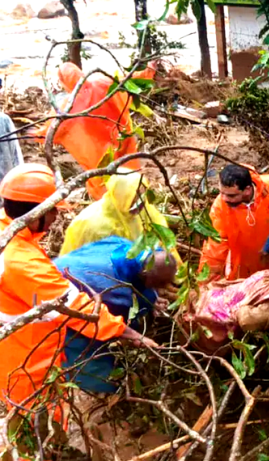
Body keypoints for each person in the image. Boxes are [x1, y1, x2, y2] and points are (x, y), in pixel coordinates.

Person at [0, 164, 155, 425]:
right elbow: (72, 304)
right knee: (35, 415)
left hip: (22, 344)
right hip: (27, 356)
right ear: (37, 212)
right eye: (53, 212)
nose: (55, 220)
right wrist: (125, 332)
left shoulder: (10, 235)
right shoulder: (23, 262)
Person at [55, 237, 177, 393]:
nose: (163, 288)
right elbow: (115, 324)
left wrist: (151, 298)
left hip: (59, 269)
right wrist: (138, 337)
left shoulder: (126, 246)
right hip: (58, 308)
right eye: (159, 283)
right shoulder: (114, 293)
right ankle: (105, 389)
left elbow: (136, 281)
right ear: (146, 275)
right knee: (94, 367)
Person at [34, 62, 155, 200]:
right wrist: (148, 70)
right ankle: (135, 198)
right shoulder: (104, 81)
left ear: (64, 81)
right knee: (128, 171)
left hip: (98, 150)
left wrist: (34, 134)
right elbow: (130, 80)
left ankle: (114, 206)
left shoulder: (68, 106)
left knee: (103, 180)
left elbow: (50, 131)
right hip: (121, 138)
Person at [200, 164, 269, 281]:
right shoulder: (220, 207)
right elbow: (214, 247)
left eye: (231, 195)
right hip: (247, 273)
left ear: (247, 190)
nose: (224, 199)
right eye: (221, 193)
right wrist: (204, 282)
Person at [60, 170, 179, 263]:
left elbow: (165, 242)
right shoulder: (99, 227)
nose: (140, 204)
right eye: (134, 198)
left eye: (142, 197)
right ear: (121, 197)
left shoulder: (145, 210)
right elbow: (105, 267)